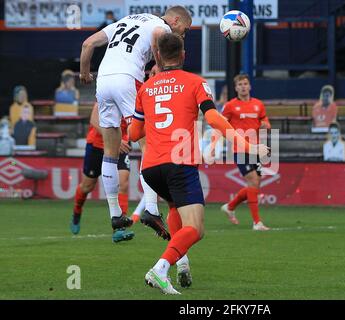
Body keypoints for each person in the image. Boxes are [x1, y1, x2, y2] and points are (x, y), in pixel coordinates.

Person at [129, 33, 269, 294]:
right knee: (196, 228)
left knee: (174, 208)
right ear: (183, 55)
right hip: (179, 162)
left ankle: (181, 263)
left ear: (158, 56)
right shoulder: (196, 82)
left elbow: (134, 134)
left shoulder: (145, 89)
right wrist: (249, 146)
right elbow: (214, 119)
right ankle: (160, 269)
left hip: (150, 168)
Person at [79, 6, 192, 238]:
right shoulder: (161, 26)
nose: (182, 34)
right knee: (149, 142)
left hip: (104, 81)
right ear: (176, 19)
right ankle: (151, 208)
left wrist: (84, 73)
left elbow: (88, 44)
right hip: (127, 79)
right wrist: (160, 68)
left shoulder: (124, 21)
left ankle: (115, 214)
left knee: (110, 149)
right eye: (185, 29)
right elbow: (156, 37)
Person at [70, 103, 134, 242]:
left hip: (120, 146)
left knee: (122, 183)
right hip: (97, 146)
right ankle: (77, 211)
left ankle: (119, 229)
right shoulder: (107, 93)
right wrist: (115, 139)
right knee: (87, 186)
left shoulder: (131, 96)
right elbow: (94, 120)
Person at [219, 74, 271, 231]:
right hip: (240, 149)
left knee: (254, 184)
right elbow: (221, 123)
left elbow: (265, 120)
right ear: (235, 88)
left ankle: (230, 206)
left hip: (255, 148)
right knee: (253, 181)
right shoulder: (230, 106)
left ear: (250, 86)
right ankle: (257, 223)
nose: (243, 86)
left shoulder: (258, 104)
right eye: (240, 84)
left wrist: (265, 125)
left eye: (245, 84)